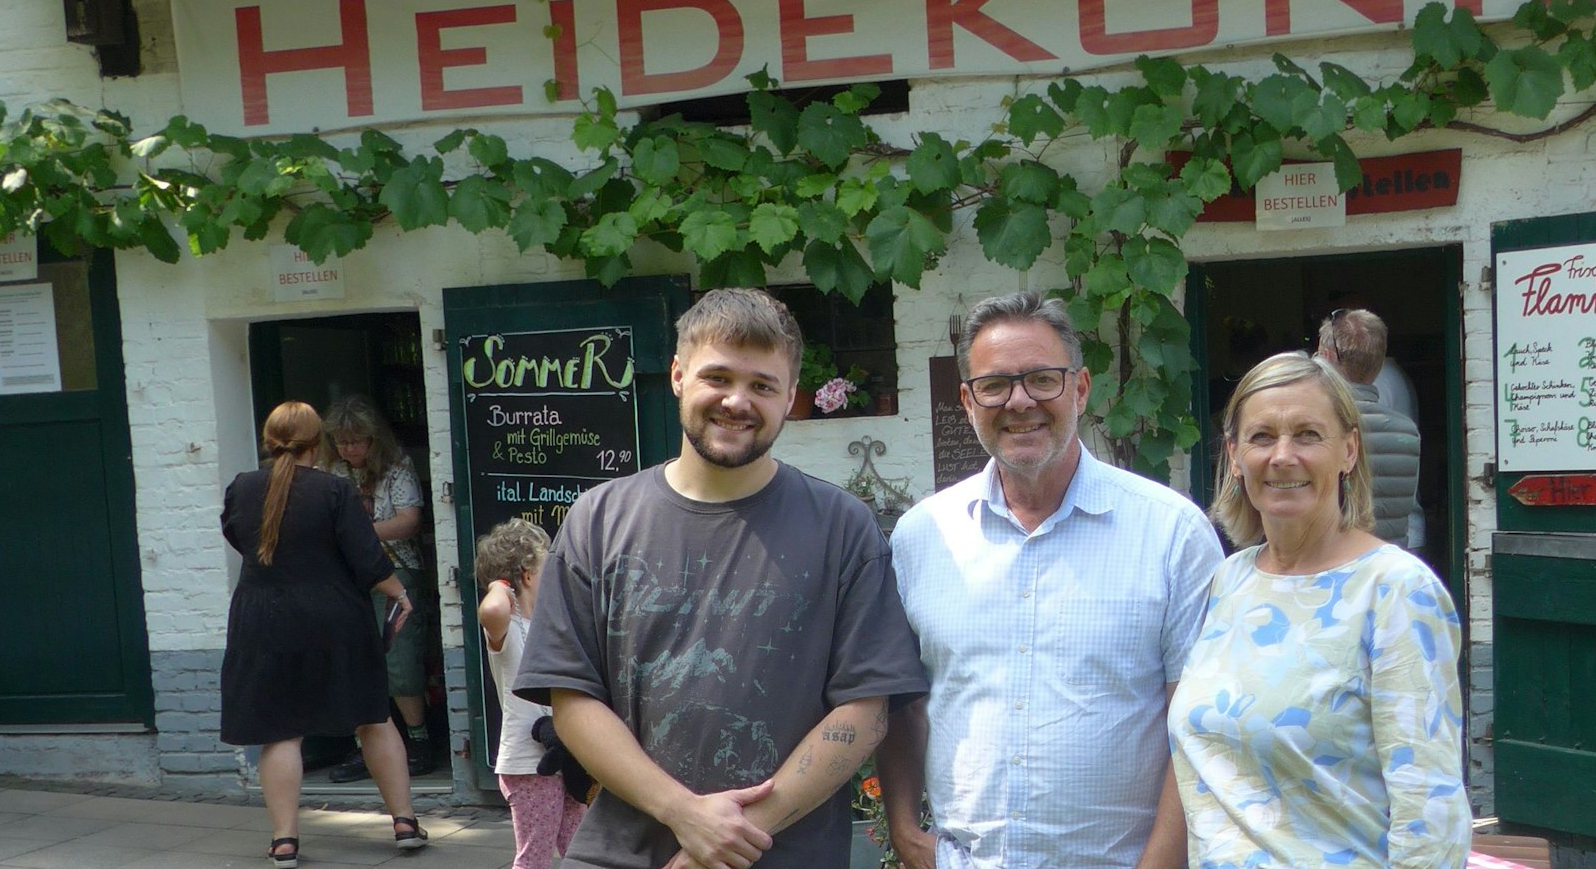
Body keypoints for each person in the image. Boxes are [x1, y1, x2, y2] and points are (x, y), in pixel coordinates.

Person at [514, 287, 928, 869]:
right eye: (718, 377)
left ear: (789, 398)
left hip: (786, 855)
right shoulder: (599, 520)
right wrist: (684, 813)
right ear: (679, 375)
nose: (738, 401)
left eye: (762, 385)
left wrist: (728, 841)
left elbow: (864, 711)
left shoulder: (843, 527)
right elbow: (572, 697)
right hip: (622, 851)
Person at [880, 291, 1224, 869]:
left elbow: (1199, 728)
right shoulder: (921, 537)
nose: (1019, 402)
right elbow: (898, 702)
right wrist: (904, 832)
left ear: (1081, 389)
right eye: (995, 385)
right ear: (967, 401)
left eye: (1043, 379)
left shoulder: (1171, 533)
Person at [1169, 352, 1470, 868]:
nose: (1283, 456)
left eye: (1308, 434)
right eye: (1262, 436)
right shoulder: (1231, 579)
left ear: (1349, 450)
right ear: (1235, 455)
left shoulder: (1395, 591)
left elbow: (1430, 816)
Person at [220, 401, 428, 868]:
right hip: (334, 615)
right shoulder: (334, 490)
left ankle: (284, 842)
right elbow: (366, 557)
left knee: (281, 731)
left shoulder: (242, 487)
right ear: (318, 443)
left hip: (263, 615)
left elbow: (237, 538)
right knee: (373, 717)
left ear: (269, 441)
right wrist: (400, 593)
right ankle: (404, 823)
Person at [321, 395, 437, 779]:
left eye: (356, 441)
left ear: (373, 440)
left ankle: (418, 741)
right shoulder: (331, 473)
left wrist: (357, 534)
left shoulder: (397, 468)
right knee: (355, 664)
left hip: (397, 571)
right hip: (348, 579)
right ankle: (364, 748)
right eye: (341, 441)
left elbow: (408, 521)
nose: (348, 448)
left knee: (400, 664)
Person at [477, 518, 586, 869]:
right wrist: (497, 584)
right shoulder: (506, 629)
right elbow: (491, 609)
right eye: (546, 569)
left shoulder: (544, 624)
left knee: (583, 848)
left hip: (563, 754)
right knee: (535, 856)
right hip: (527, 764)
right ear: (526, 575)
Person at [1318, 308, 1421, 550]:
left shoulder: (1317, 429)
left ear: (1327, 356)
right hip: (1390, 567)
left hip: (1337, 571)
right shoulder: (1407, 431)